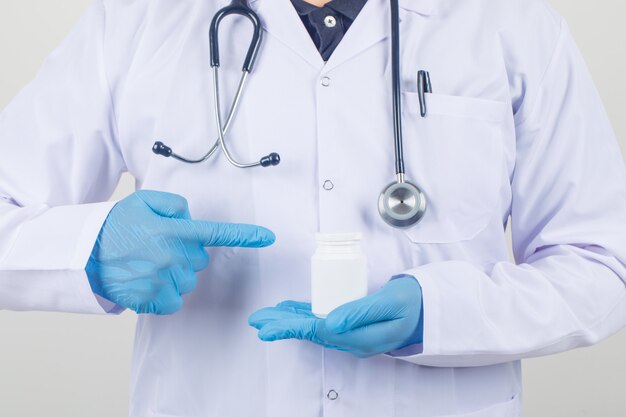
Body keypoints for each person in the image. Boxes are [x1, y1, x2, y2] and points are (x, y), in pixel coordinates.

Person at [1, 0, 625, 416]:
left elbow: (603, 264)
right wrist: (90, 250)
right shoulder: (139, 19)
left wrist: (437, 314)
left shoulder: (510, 21)